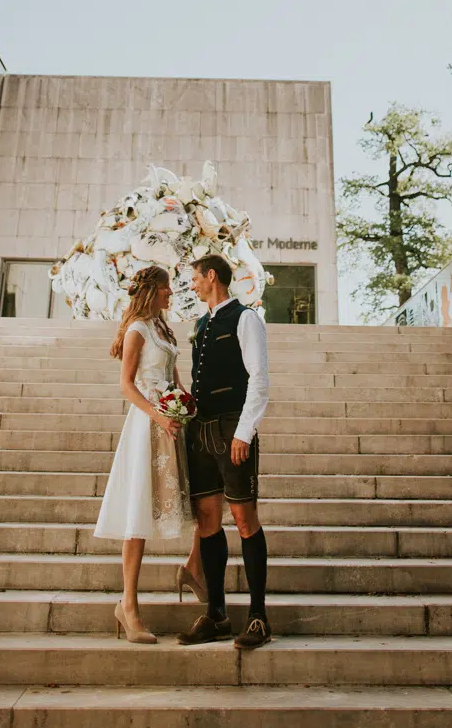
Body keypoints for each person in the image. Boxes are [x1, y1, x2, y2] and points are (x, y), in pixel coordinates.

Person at [94, 264, 196, 642]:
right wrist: (158, 415)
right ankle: (129, 606)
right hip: (146, 426)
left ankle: (192, 570)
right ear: (152, 289)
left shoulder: (163, 329)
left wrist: (186, 404)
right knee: (138, 516)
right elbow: (126, 385)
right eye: (167, 288)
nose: (171, 293)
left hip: (171, 424)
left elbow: (175, 376)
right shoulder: (137, 330)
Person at [178, 253, 272, 650]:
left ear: (211, 276)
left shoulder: (246, 318)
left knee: (244, 519)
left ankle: (258, 618)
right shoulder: (202, 323)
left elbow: (259, 377)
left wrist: (244, 432)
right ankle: (216, 614)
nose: (192, 285)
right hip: (199, 431)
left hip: (233, 427)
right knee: (207, 522)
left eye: (195, 278)